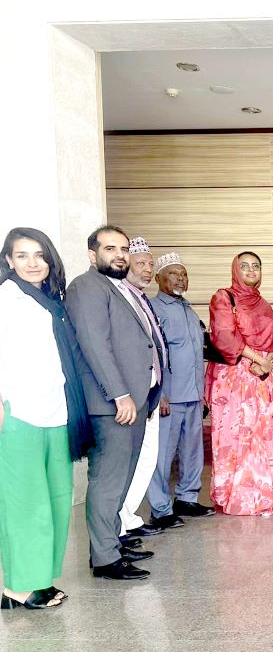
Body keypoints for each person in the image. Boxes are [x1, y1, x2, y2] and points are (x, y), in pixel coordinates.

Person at [0, 228, 93, 609]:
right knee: (25, 501)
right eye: (22, 256)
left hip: (55, 409)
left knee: (56, 496)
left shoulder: (48, 299)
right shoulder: (6, 298)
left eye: (39, 255)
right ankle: (17, 587)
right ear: (8, 261)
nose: (32, 263)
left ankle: (39, 577)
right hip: (18, 412)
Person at [66, 225, 164, 580]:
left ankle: (111, 541)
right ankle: (105, 558)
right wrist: (120, 394)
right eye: (110, 248)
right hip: (113, 405)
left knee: (121, 480)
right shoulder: (86, 287)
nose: (120, 254)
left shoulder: (116, 288)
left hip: (135, 402)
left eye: (123, 248)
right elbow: (95, 345)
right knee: (108, 481)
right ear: (93, 255)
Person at [206, 251, 273, 516]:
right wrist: (257, 359)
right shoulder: (223, 297)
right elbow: (224, 336)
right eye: (245, 266)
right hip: (236, 378)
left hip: (264, 376)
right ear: (235, 270)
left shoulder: (262, 303)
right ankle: (238, 494)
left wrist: (268, 360)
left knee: (263, 435)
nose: (251, 270)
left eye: (256, 266)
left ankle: (264, 492)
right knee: (237, 434)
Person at [147, 252, 215, 526]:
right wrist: (159, 393)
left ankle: (187, 498)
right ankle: (161, 509)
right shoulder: (153, 309)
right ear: (158, 278)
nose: (180, 279)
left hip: (193, 396)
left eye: (184, 274)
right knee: (163, 455)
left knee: (192, 452)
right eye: (174, 274)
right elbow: (150, 354)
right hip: (169, 397)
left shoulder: (189, 309)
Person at [116, 238, 171, 539]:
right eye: (141, 263)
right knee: (130, 461)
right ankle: (119, 525)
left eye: (150, 263)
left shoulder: (141, 298)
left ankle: (129, 517)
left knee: (147, 458)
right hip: (131, 396)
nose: (147, 269)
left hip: (150, 392)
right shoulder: (122, 297)